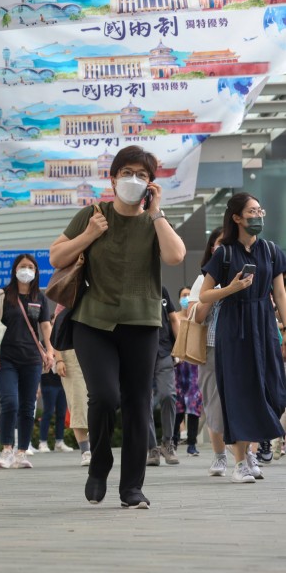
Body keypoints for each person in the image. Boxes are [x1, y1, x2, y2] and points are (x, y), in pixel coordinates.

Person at [49, 145, 186, 508]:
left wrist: (156, 214)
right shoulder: (92, 215)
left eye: (142, 175)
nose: (133, 180)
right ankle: (99, 464)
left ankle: (132, 488)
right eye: (127, 173)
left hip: (142, 324)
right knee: (105, 397)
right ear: (112, 178)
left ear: (151, 185)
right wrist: (89, 235)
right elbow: (56, 256)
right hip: (93, 322)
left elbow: (175, 256)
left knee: (139, 404)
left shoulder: (155, 222)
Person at [199, 193, 286, 484]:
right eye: (252, 211)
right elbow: (204, 295)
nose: (259, 214)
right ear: (237, 218)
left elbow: (281, 293)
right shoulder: (223, 253)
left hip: (263, 323)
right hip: (233, 325)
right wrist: (231, 288)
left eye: (260, 209)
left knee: (272, 391)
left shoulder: (271, 251)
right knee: (237, 393)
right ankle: (239, 462)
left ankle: (249, 453)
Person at [0, 254, 55, 469]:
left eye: (30, 267)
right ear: (15, 270)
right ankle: (7, 449)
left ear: (36, 272)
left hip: (32, 359)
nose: (26, 270)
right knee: (9, 401)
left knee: (28, 406)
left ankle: (21, 452)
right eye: (23, 266)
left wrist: (50, 351)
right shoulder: (2, 295)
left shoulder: (39, 297)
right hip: (5, 358)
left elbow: (45, 326)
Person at [188, 228, 230, 477]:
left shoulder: (247, 275)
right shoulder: (203, 279)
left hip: (240, 347)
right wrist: (216, 291)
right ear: (212, 249)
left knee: (242, 400)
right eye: (219, 245)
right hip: (211, 346)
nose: (224, 249)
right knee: (214, 403)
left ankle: (247, 455)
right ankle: (219, 455)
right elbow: (196, 315)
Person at [146, 287, 181, 467]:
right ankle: (151, 448)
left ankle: (168, 443)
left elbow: (174, 319)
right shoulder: (128, 288)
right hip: (139, 354)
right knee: (143, 400)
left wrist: (180, 347)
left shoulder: (161, 290)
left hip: (163, 351)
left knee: (168, 395)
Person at [53, 307, 91, 466]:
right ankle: (86, 451)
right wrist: (59, 359)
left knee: (101, 401)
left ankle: (97, 448)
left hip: (94, 352)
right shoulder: (64, 301)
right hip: (70, 355)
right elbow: (55, 333)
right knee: (78, 403)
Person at [173, 285, 202, 458]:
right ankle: (173, 442)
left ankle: (192, 443)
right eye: (183, 295)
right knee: (177, 405)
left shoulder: (195, 318)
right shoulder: (174, 317)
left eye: (189, 295)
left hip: (193, 367)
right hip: (177, 366)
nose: (186, 298)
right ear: (179, 299)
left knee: (194, 404)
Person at [38, 368, 69, 453]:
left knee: (62, 414)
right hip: (48, 383)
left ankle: (59, 442)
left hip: (62, 382)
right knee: (48, 412)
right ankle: (42, 442)